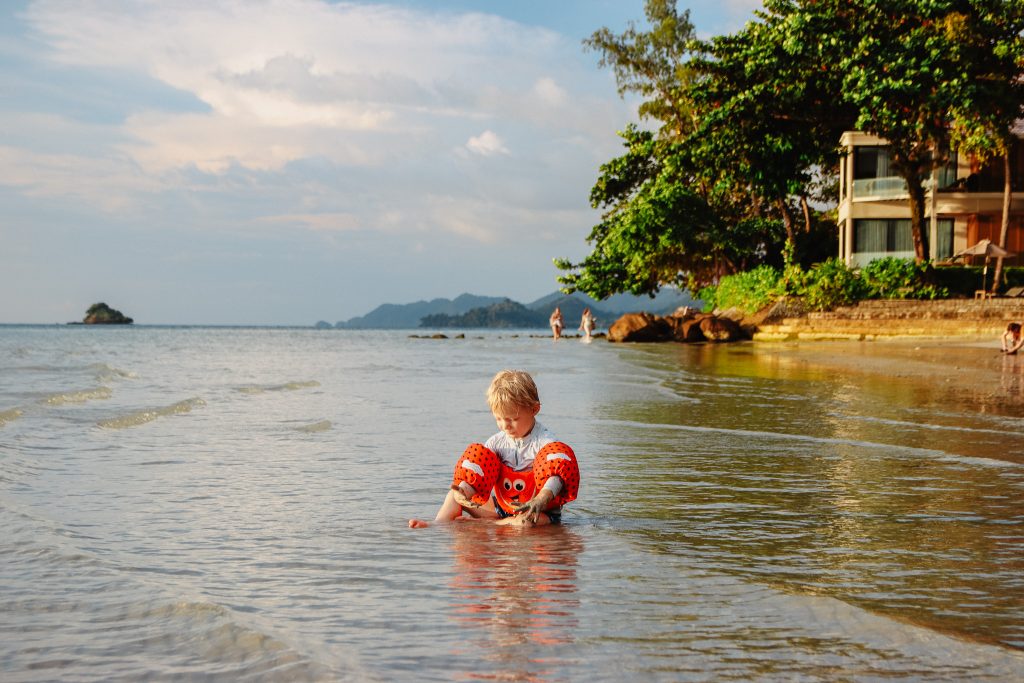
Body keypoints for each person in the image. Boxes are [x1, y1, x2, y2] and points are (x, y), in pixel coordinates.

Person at [409, 369, 579, 528]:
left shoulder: (545, 442)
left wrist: (542, 498)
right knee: (454, 496)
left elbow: (556, 476)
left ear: (534, 409)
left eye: (513, 419)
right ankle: (438, 524)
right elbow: (479, 473)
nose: (505, 426)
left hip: (537, 511)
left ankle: (489, 524)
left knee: (525, 523)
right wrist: (464, 491)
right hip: (500, 508)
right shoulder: (496, 443)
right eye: (498, 418)